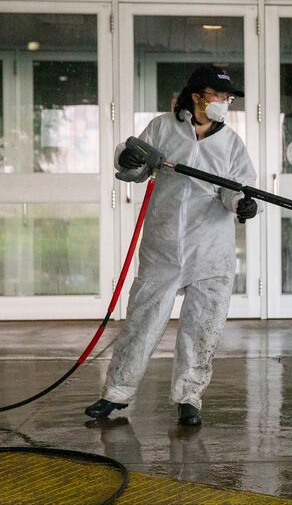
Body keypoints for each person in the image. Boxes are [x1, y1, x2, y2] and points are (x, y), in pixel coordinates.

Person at [85, 66, 258, 426]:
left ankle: (189, 397)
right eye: (218, 95)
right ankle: (116, 393)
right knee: (142, 323)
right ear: (197, 96)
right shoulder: (163, 128)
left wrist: (241, 203)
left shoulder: (231, 143)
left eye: (228, 98)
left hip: (211, 249)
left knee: (203, 327)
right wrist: (127, 158)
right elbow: (134, 163)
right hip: (163, 245)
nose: (224, 102)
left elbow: (237, 185)